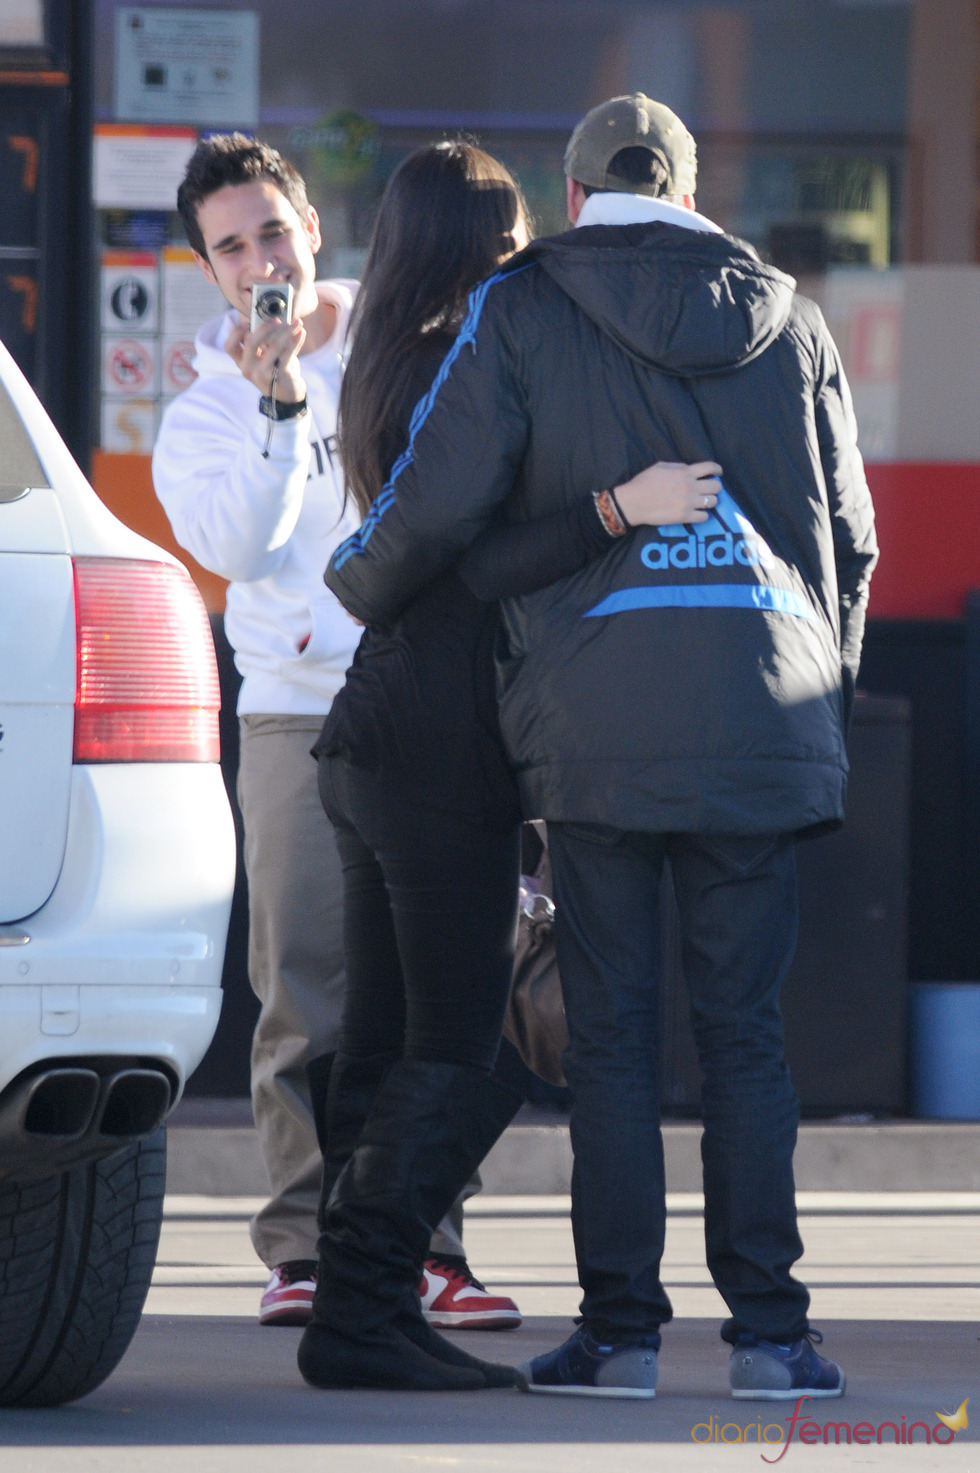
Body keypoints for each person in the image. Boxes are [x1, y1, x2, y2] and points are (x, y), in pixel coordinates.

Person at [319, 97, 878, 1401]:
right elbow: (850, 538)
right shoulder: (792, 318)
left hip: (593, 730)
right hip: (763, 723)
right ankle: (773, 1339)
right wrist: (818, 711)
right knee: (746, 1036)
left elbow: (435, 503)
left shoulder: (524, 308)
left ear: (572, 196)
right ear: (690, 187)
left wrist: (355, 579)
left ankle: (621, 1335)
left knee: (615, 1036)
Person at [296, 139, 721, 1394]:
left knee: (380, 1042)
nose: (532, 252)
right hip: (435, 743)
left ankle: (354, 1309)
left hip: (375, 732)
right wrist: (615, 508)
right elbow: (472, 565)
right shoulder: (462, 358)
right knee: (468, 1045)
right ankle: (365, 1302)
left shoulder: (387, 357)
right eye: (515, 234)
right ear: (484, 246)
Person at [151, 133, 517, 1333]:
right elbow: (244, 551)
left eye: (274, 230)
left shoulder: (413, 341)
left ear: (315, 226)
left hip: (426, 700)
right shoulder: (203, 416)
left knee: (431, 996)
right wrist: (274, 405)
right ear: (207, 269)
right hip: (296, 716)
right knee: (302, 991)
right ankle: (306, 1243)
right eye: (232, 245)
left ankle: (423, 1244)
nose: (262, 258)